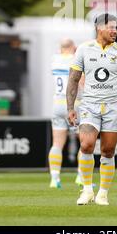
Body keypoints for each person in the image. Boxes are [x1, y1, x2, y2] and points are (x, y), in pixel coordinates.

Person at [66, 13, 117, 206]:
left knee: (108, 150)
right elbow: (73, 79)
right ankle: (87, 190)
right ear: (99, 28)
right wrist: (70, 107)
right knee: (86, 145)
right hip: (89, 105)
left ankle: (103, 193)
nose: (114, 31)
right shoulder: (84, 50)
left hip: (113, 107)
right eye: (110, 27)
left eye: (116, 27)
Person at [48, 38, 82, 188]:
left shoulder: (54, 60)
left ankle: (54, 179)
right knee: (85, 142)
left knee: (57, 143)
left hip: (57, 104)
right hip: (74, 105)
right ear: (73, 47)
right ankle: (82, 176)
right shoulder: (76, 60)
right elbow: (81, 84)